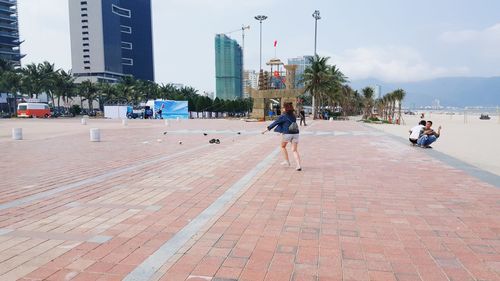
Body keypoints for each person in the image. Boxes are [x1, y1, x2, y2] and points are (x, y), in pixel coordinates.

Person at [262, 102, 302, 171]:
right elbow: (287, 124)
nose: (282, 108)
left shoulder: (283, 116)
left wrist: (265, 130)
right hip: (295, 133)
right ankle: (298, 165)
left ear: (285, 108)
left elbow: (274, 124)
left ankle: (287, 161)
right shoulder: (293, 115)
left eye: (283, 107)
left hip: (287, 134)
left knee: (283, 146)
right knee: (294, 150)